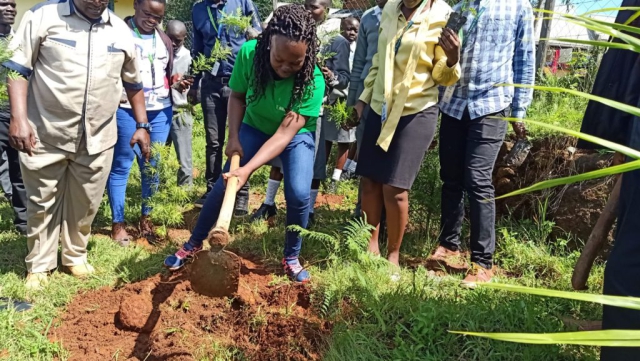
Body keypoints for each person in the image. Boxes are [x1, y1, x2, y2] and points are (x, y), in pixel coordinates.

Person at [165, 4, 324, 283]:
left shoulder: (314, 79)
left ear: (307, 54)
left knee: (299, 194)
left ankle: (291, 257)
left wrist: (248, 168)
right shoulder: (249, 53)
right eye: (279, 60)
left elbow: (285, 135)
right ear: (268, 44)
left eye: (294, 63)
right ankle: (193, 244)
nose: (286, 68)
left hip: (294, 135)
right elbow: (237, 96)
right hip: (255, 124)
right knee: (226, 182)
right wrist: (234, 138)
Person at [4, 0, 151, 290]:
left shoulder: (121, 31)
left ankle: (75, 255)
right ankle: (40, 264)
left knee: (86, 201)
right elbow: (18, 70)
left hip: (98, 136)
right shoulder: (42, 17)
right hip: (46, 132)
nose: (97, 1)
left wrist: (142, 125)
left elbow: (133, 83)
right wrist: (18, 118)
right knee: (41, 200)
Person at [354, 0, 460, 273]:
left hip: (416, 109)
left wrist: (451, 59)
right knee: (370, 181)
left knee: (395, 187)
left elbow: (440, 75)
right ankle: (371, 245)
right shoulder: (390, 8)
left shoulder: (443, 13)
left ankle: (393, 254)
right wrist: (363, 100)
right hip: (380, 106)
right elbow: (380, 59)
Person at [434, 0, 534, 287]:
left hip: (492, 103)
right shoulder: (462, 5)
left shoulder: (518, 6)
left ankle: (481, 262)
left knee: (478, 178)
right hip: (454, 102)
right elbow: (444, 54)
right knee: (450, 177)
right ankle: (449, 247)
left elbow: (524, 59)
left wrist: (519, 111)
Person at [107, 0, 190, 246]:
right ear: (135, 6)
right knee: (122, 165)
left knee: (152, 165)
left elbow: (165, 73)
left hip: (160, 111)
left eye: (158, 17)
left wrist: (175, 81)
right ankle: (118, 223)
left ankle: (146, 218)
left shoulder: (163, 40)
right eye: (147, 14)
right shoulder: (119, 34)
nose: (152, 20)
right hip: (126, 109)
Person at [250, 0, 331, 224]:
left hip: (308, 114)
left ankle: (308, 212)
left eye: (315, 7)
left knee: (307, 174)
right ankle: (268, 203)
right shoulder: (286, 29)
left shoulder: (332, 33)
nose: (309, 11)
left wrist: (332, 76)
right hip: (282, 111)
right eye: (307, 5)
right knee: (277, 163)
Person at [190, 0, 262, 215]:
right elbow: (198, 49)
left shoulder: (243, 3)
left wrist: (250, 31)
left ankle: (240, 195)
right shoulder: (198, 9)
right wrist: (194, 84)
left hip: (239, 84)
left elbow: (260, 35)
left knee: (240, 140)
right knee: (213, 141)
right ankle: (212, 189)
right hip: (211, 84)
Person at [347, 0, 387, 218]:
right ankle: (361, 212)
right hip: (366, 97)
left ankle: (384, 216)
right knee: (365, 157)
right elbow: (360, 62)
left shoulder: (407, 14)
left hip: (393, 99)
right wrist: (352, 102)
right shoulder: (368, 18)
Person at [323, 16, 358, 193]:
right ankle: (320, 172)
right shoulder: (336, 45)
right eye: (347, 29)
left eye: (355, 30)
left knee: (344, 140)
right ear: (340, 29)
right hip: (334, 97)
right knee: (327, 137)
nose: (351, 33)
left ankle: (336, 178)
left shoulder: (360, 50)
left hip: (349, 99)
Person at [0, 0, 26, 235]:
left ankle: (23, 223)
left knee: (20, 171)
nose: (10, 9)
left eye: (12, 4)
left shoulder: (21, 42)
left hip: (17, 115)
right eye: (3, 4)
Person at [166, 20, 194, 187]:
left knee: (184, 157)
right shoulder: (158, 54)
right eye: (171, 39)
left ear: (184, 38)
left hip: (180, 111)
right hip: (160, 111)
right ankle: (156, 187)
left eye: (179, 40)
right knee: (157, 155)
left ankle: (184, 190)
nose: (174, 44)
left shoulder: (188, 58)